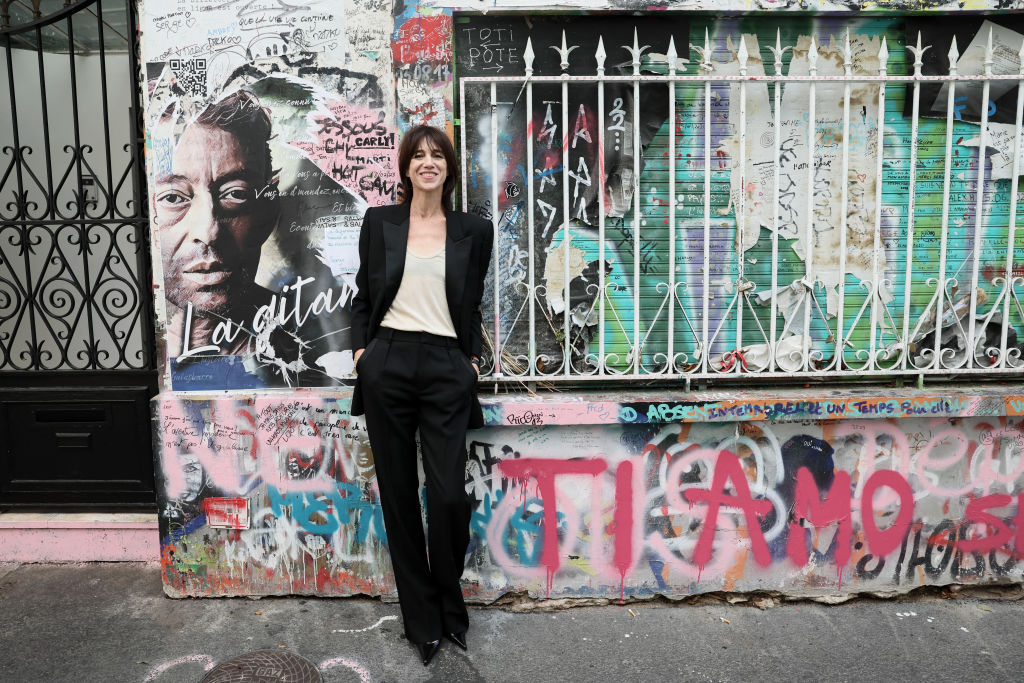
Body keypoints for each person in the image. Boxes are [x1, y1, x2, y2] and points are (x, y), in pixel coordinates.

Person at [349, 125, 492, 666]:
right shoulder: (380, 222)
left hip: (445, 366)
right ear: (406, 168)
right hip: (388, 360)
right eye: (418, 156)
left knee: (449, 496)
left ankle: (450, 606)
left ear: (449, 169)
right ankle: (423, 620)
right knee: (400, 496)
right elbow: (363, 296)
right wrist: (363, 355)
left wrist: (470, 362)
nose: (428, 163)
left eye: (437, 156)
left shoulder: (473, 230)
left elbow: (472, 302)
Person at [153, 90, 280, 358]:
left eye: (235, 194)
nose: (208, 231)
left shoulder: (316, 342)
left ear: (269, 212)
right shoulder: (127, 333)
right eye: (173, 197)